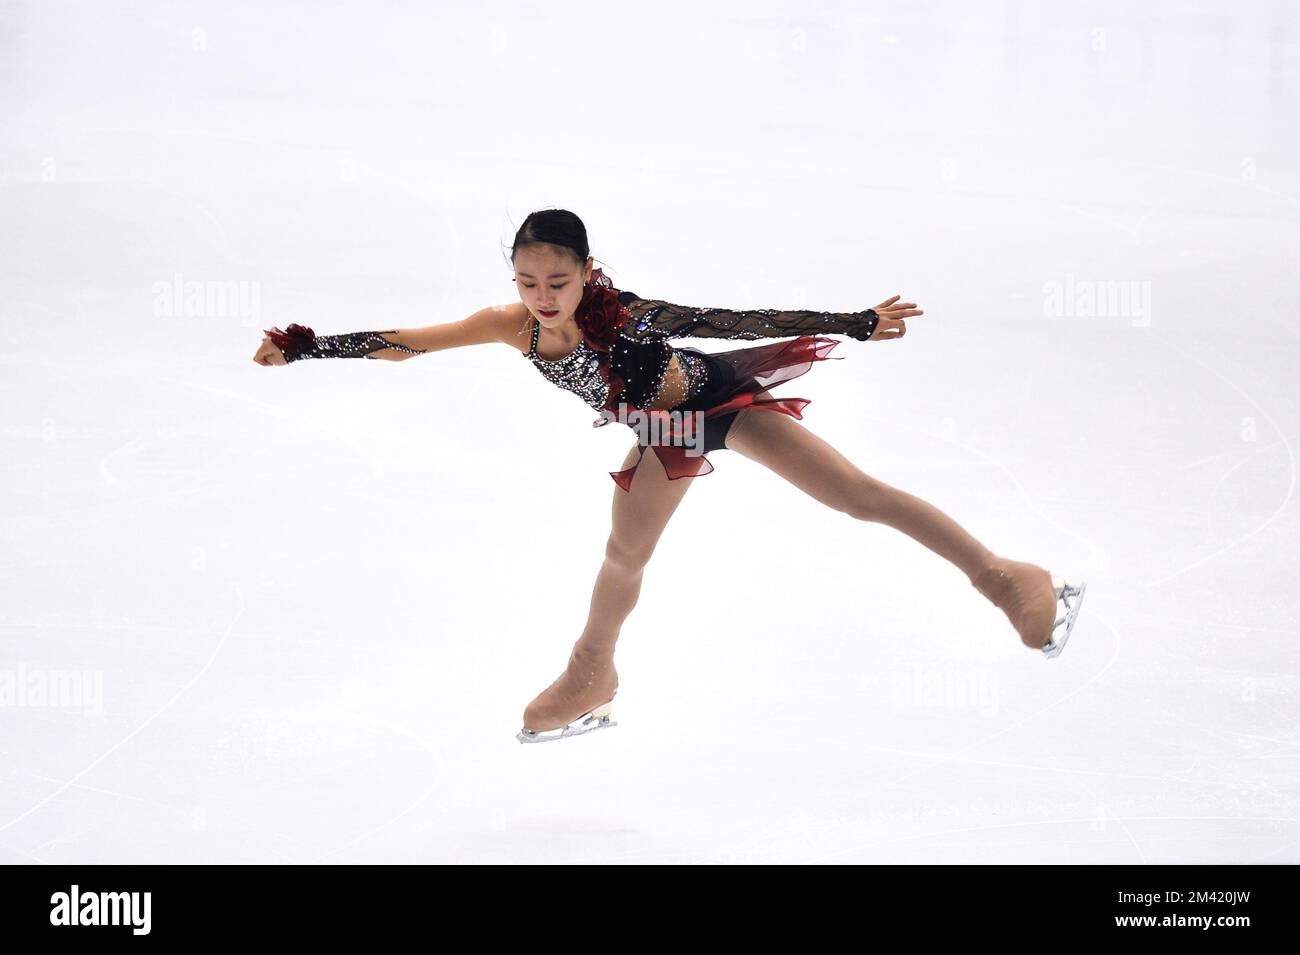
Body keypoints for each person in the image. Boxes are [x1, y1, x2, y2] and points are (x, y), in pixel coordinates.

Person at [253, 208, 1087, 744]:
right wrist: (305, 346)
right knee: (624, 558)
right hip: (664, 431)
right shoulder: (509, 325)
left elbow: (735, 320)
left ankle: (1007, 576)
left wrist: (857, 324)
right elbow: (408, 342)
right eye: (528, 281)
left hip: (718, 400)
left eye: (559, 280)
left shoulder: (630, 314)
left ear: (587, 271)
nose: (544, 296)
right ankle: (592, 674)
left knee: (856, 497)